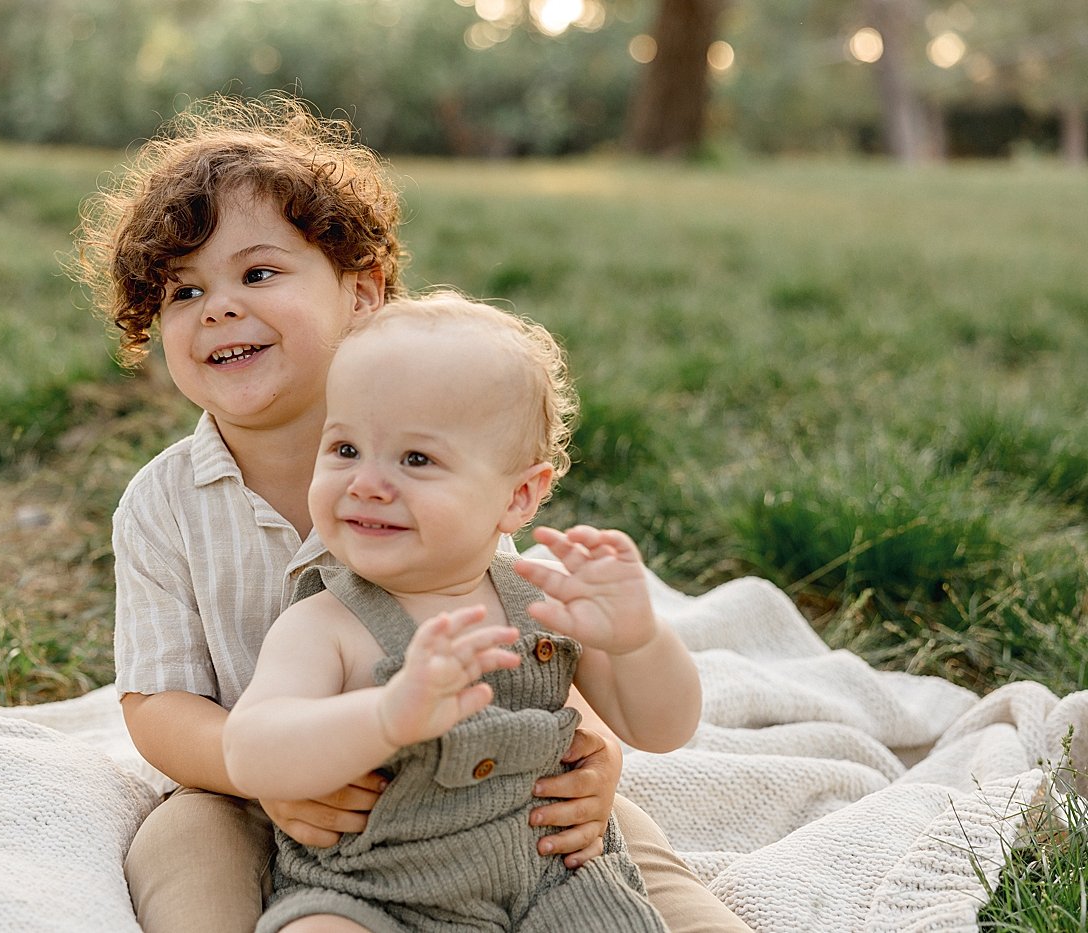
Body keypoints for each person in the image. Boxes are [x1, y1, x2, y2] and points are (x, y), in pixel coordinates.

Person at [70, 93, 748, 933]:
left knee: (609, 838)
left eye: (257, 273)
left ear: (363, 294)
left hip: (491, 783)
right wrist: (265, 775)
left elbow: (529, 639)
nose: (217, 307)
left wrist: (595, 745)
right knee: (182, 841)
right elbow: (159, 704)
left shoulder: (446, 445)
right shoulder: (163, 505)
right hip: (262, 787)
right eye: (181, 291)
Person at [222, 294, 701, 932]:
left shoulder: (546, 605)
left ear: (519, 495)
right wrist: (385, 715)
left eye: (416, 459)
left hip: (550, 885)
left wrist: (639, 643)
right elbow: (253, 752)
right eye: (344, 449)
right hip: (374, 896)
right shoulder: (328, 623)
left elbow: (664, 728)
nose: (366, 482)